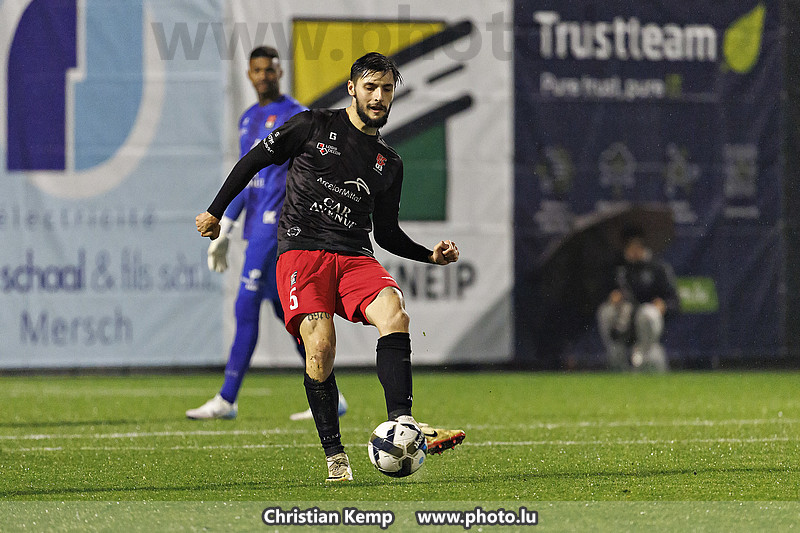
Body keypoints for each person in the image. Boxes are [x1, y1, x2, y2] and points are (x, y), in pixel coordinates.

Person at [196, 52, 465, 481]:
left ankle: (402, 421)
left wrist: (429, 256)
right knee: (320, 349)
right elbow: (253, 161)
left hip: (354, 255)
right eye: (370, 87)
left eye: (387, 89)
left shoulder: (389, 162)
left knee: (395, 313)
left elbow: (387, 234)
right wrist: (216, 212)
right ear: (352, 88)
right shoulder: (312, 125)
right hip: (301, 252)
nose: (378, 97)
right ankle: (335, 456)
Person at [186, 46, 347, 421]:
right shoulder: (248, 118)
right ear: (249, 74)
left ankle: (227, 399)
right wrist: (227, 224)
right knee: (286, 312)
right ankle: (332, 394)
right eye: (257, 70)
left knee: (245, 304)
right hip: (256, 223)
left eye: (270, 70)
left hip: (280, 226)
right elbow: (250, 178)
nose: (263, 76)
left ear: (280, 72)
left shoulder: (297, 115)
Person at [597, 226, 679, 372]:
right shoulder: (617, 268)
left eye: (638, 245)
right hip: (623, 322)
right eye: (630, 246)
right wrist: (612, 296)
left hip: (646, 331)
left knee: (648, 313)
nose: (634, 250)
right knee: (606, 311)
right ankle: (617, 359)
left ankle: (644, 358)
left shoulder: (657, 268)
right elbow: (600, 293)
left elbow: (674, 301)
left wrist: (664, 305)